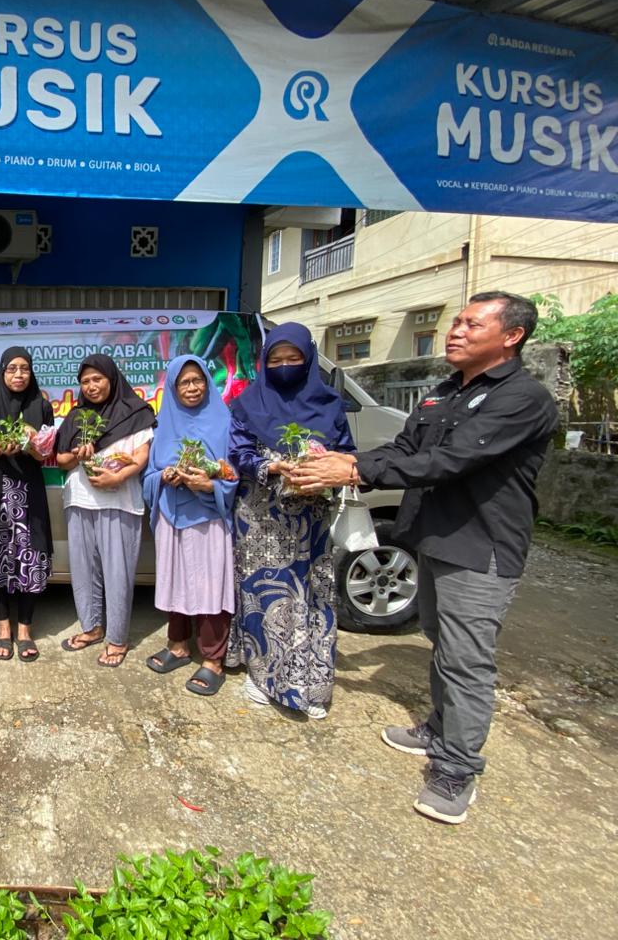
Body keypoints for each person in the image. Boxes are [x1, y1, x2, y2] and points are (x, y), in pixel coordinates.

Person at [291, 291, 558, 824]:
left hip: (480, 546)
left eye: (470, 324)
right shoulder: (443, 393)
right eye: (455, 322)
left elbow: (452, 460)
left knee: (466, 659)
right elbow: (403, 450)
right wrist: (352, 459)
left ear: (512, 336)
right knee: (441, 640)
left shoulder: (523, 398)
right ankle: (438, 728)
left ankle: (457, 769)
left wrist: (353, 473)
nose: (454, 331)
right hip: (432, 537)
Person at [226, 323, 354, 719]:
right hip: (261, 517)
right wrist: (272, 465)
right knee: (263, 595)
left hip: (310, 518)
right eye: (275, 359)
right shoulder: (249, 402)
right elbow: (238, 452)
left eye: (292, 358)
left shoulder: (331, 404)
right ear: (264, 362)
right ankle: (262, 674)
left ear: (308, 358)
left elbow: (348, 453)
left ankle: (309, 683)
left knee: (308, 597)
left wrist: (324, 470)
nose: (283, 365)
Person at [142, 355, 238, 696]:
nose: (192, 387)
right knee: (176, 580)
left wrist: (210, 485)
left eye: (197, 380)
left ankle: (213, 659)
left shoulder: (225, 423)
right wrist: (164, 476)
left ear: (207, 383)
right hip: (173, 515)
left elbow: (236, 473)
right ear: (172, 387)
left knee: (211, 584)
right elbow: (149, 476)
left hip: (209, 516)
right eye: (184, 382)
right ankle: (178, 646)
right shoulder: (164, 425)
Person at [56, 354, 156, 668]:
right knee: (83, 568)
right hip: (81, 498)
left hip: (120, 499)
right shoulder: (76, 416)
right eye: (85, 381)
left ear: (111, 377)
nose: (92, 386)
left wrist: (119, 476)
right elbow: (60, 460)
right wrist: (76, 455)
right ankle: (92, 627)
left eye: (97, 378)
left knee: (118, 570)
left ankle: (117, 638)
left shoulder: (136, 411)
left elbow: (142, 455)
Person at [0, 346, 54, 662]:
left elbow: (48, 457)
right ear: (2, 372)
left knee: (30, 559)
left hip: (30, 495)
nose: (19, 375)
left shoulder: (43, 407)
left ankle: (25, 629)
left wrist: (33, 446)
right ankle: (3, 629)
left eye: (24, 368)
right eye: (12, 369)